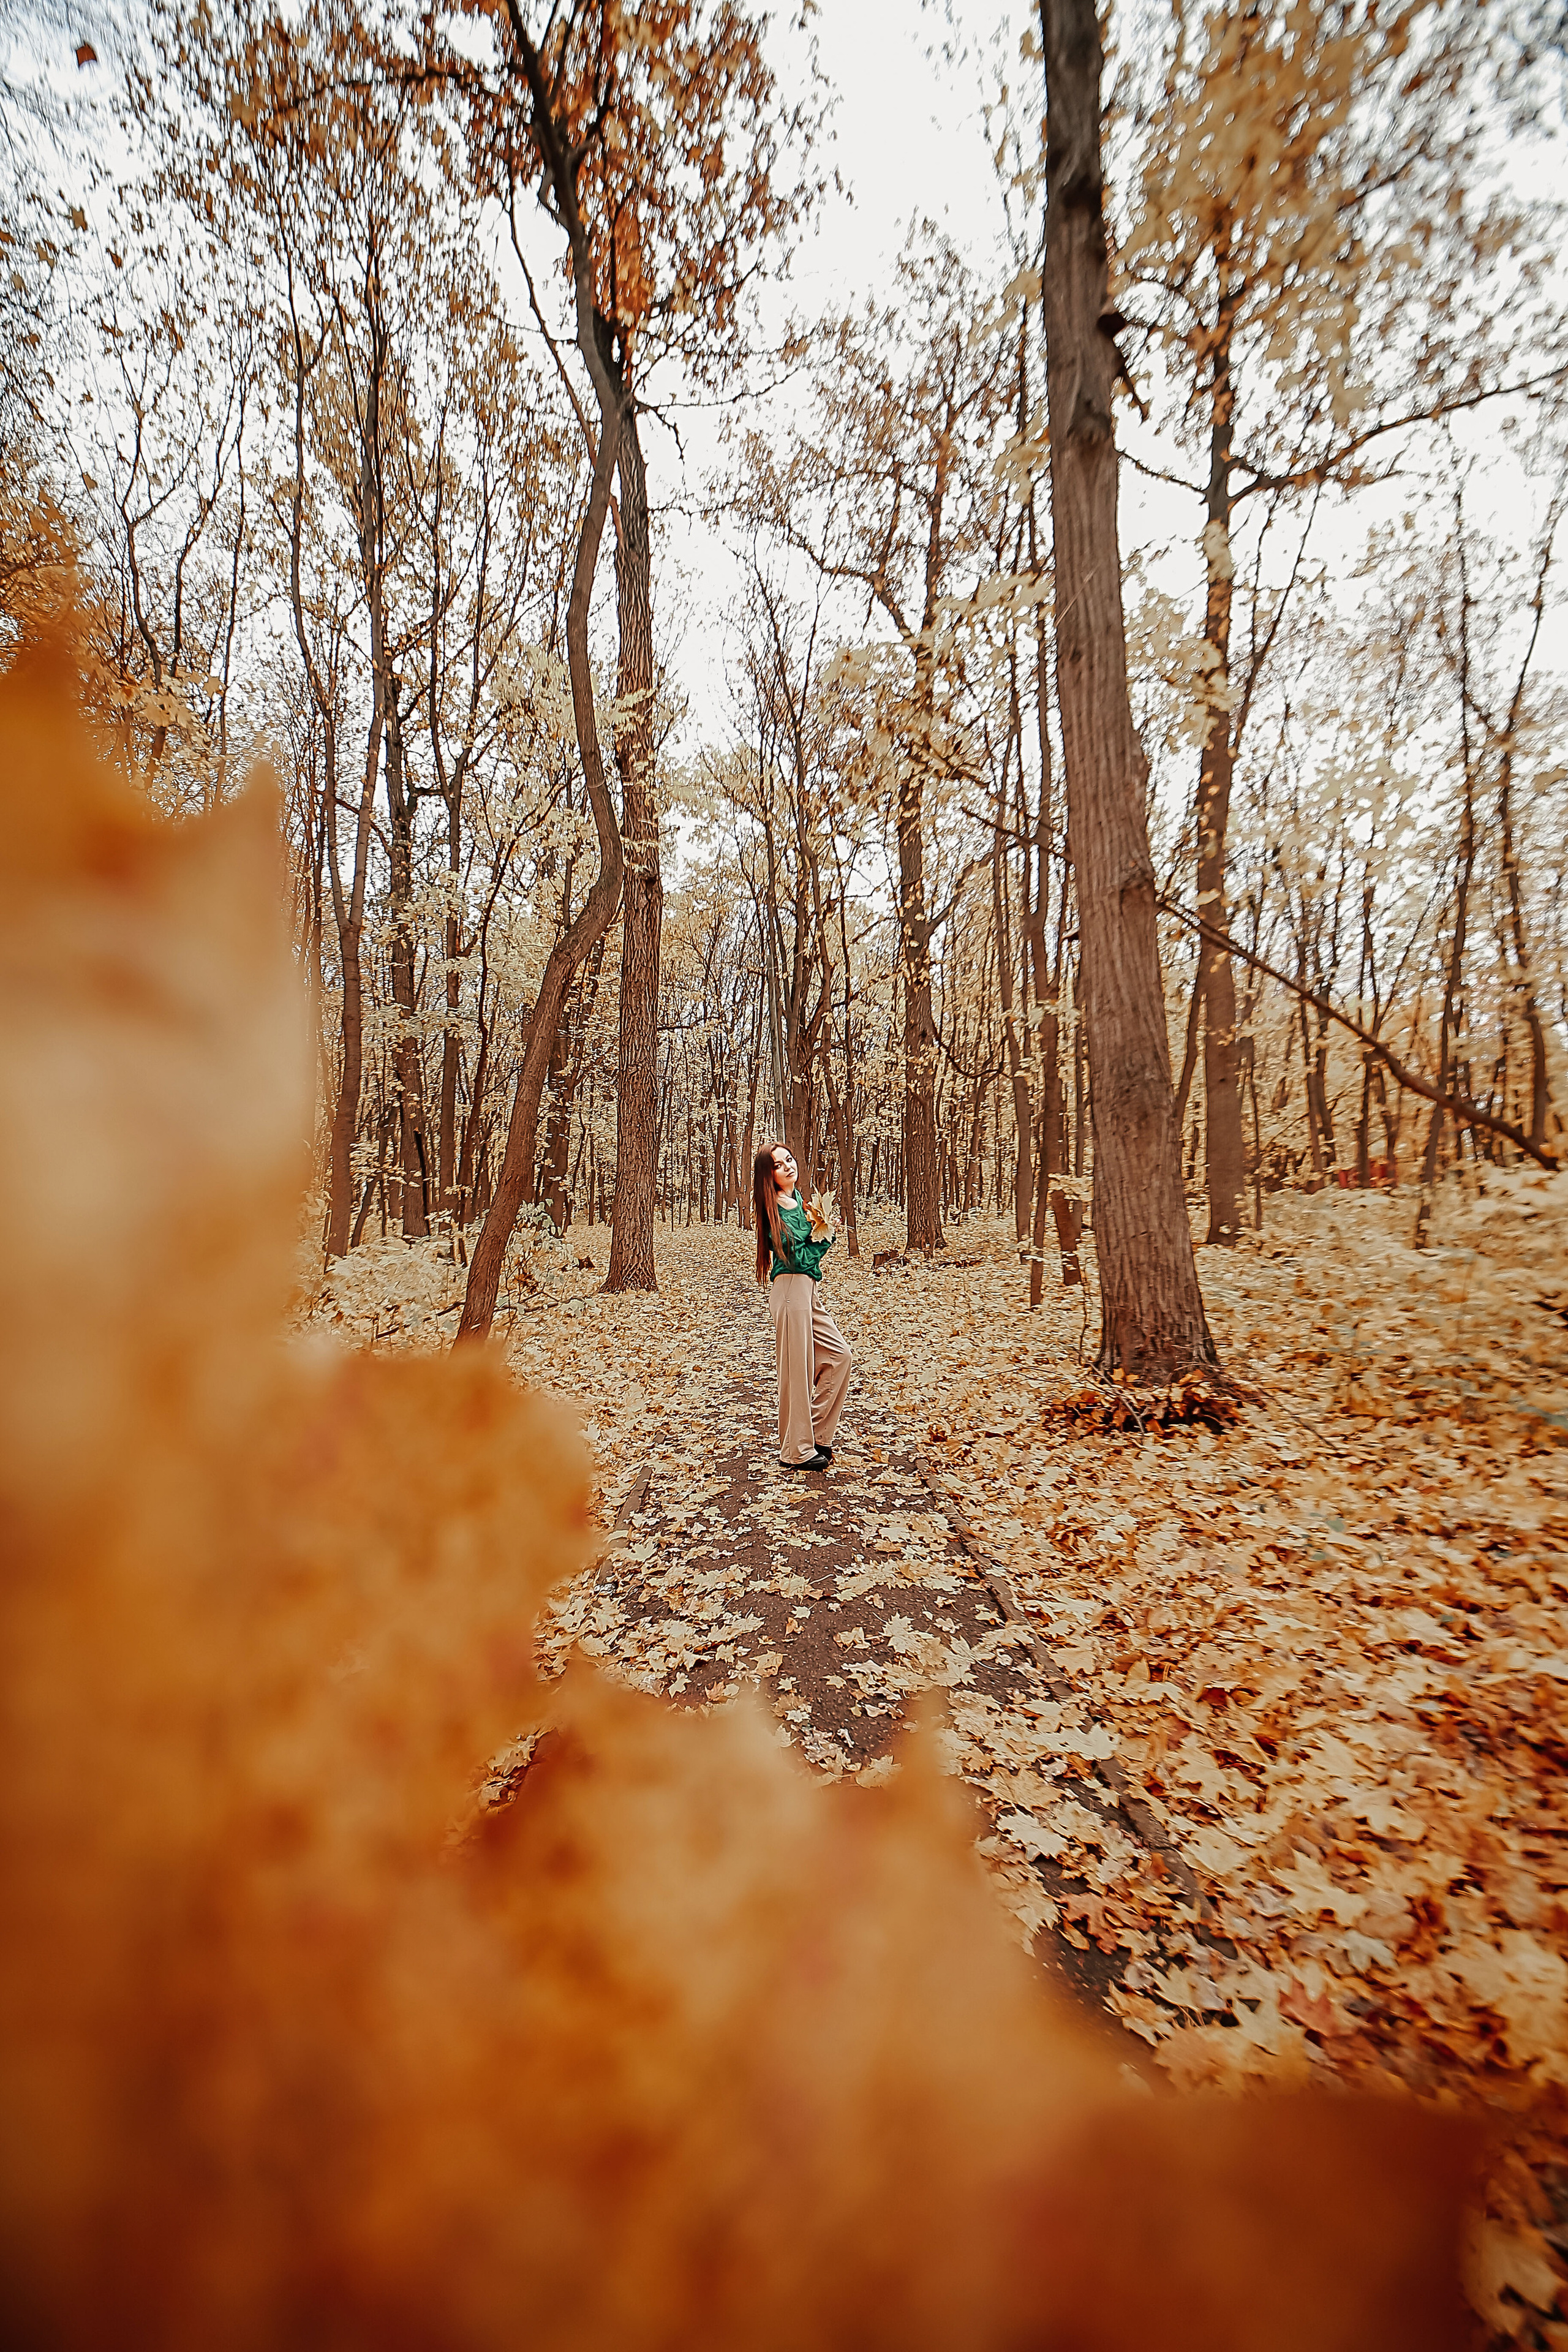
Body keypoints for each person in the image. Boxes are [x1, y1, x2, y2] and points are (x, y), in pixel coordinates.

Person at [752, 1140, 853, 1471]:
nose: (788, 1166)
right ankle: (795, 1450)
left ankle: (817, 1433)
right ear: (770, 1176)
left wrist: (823, 1233)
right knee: (797, 1372)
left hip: (808, 1290)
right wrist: (822, 1241)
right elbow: (796, 1256)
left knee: (840, 1357)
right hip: (790, 1290)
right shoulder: (773, 1210)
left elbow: (816, 1243)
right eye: (779, 1165)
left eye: (789, 1159)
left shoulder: (802, 1204)